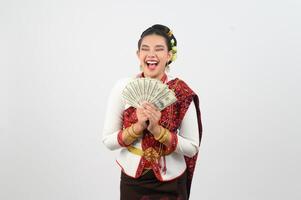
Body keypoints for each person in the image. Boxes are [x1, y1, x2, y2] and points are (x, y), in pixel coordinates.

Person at [102, 24, 203, 200]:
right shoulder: (122, 88)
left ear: (169, 55)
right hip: (132, 181)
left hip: (171, 182)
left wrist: (158, 130)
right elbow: (108, 141)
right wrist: (138, 126)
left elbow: (192, 148)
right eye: (145, 49)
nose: (151, 54)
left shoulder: (181, 91)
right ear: (138, 55)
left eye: (159, 49)